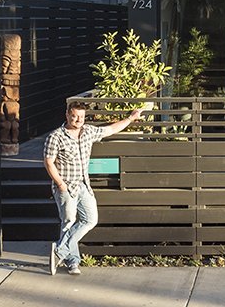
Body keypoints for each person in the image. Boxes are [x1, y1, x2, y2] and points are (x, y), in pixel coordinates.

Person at [43, 101, 148, 275]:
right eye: (75, 116)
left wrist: (130, 118)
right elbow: (48, 162)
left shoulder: (88, 132)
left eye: (82, 117)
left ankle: (59, 252)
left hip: (84, 185)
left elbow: (111, 130)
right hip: (66, 187)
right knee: (68, 223)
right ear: (67, 115)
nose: (78, 120)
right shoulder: (55, 136)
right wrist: (60, 184)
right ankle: (73, 263)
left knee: (90, 220)